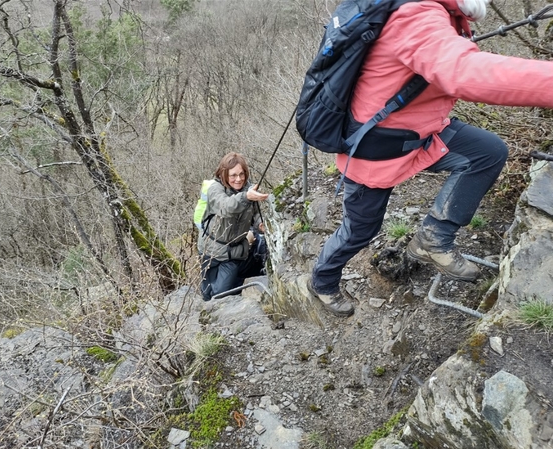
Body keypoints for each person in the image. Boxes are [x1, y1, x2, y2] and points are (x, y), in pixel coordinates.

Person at [308, 0, 553, 317]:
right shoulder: (416, 15)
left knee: (487, 152)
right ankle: (322, 282)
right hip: (377, 150)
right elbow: (463, 72)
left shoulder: (446, 13)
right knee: (360, 231)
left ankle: (433, 238)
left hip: (422, 131)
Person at [198, 152, 269, 301]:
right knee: (206, 293)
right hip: (210, 250)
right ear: (224, 174)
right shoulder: (215, 189)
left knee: (220, 294)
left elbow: (255, 215)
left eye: (242, 174)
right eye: (234, 175)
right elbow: (225, 207)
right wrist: (246, 197)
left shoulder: (248, 190)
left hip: (234, 252)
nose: (239, 179)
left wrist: (260, 225)